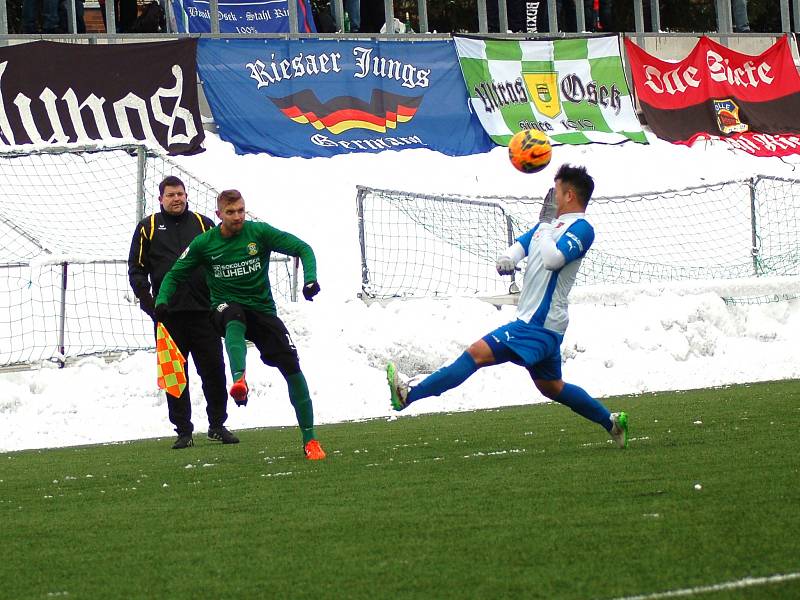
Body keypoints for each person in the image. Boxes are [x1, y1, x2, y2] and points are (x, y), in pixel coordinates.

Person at [386, 164, 629, 449]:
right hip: (539, 324)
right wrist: (508, 258)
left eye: (557, 191)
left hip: (538, 324)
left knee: (475, 354)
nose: (550, 197)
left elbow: (553, 260)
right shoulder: (547, 226)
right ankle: (611, 423)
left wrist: (547, 226)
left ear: (570, 196)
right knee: (552, 387)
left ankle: (409, 395)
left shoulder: (582, 229)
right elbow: (521, 246)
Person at [154, 189, 327, 460]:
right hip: (223, 308)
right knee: (233, 315)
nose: (237, 217)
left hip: (262, 312)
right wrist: (162, 301)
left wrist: (310, 279)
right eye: (231, 212)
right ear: (218, 215)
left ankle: (310, 440)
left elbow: (302, 248)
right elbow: (174, 274)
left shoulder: (259, 233)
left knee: (292, 366)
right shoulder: (204, 243)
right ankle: (239, 380)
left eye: (241, 211)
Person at [128, 176, 236, 450]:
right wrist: (148, 301)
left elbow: (220, 261)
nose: (176, 199)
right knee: (176, 375)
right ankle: (183, 431)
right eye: (170, 195)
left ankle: (217, 424)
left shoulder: (203, 224)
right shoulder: (148, 228)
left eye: (180, 194)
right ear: (160, 199)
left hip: (204, 314)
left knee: (214, 370)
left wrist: (221, 301)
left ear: (187, 196)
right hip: (168, 317)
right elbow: (136, 269)